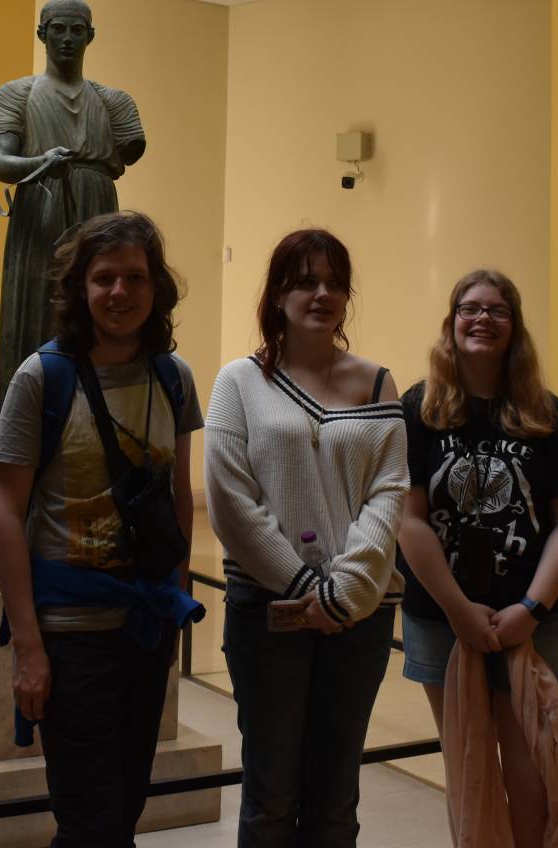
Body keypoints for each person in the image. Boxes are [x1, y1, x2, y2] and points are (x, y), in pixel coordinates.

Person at [0, 210, 204, 848]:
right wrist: (28, 647)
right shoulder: (42, 378)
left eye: (134, 277)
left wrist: (175, 600)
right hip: (70, 636)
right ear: (79, 288)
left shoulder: (173, 377)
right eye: (104, 277)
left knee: (124, 810)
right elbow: (6, 512)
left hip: (143, 628)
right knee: (89, 823)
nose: (119, 292)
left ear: (155, 287)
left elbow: (178, 497)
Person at [205, 227, 407, 848]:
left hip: (359, 613)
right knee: (270, 795)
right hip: (268, 608)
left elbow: (389, 492)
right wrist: (302, 585)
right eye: (305, 281)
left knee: (335, 796)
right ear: (277, 294)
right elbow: (231, 501)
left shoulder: (378, 383)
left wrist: (342, 593)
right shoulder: (239, 382)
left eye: (334, 283)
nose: (322, 294)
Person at [395, 269, 558, 847]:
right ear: (452, 322)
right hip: (443, 619)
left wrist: (532, 608)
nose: (482, 318)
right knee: (469, 769)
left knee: (531, 769)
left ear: (515, 327)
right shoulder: (419, 407)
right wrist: (458, 609)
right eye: (470, 308)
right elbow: (408, 518)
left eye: (497, 310)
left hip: (532, 620)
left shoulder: (545, 412)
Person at [0, 0, 146, 413]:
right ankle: (27, 413)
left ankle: (99, 410)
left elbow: (131, 146)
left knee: (100, 306)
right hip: (41, 212)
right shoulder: (15, 94)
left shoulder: (114, 102)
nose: (68, 38)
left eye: (77, 30)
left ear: (91, 36)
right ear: (42, 33)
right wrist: (41, 162)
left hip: (98, 212)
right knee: (37, 308)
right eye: (58, 29)